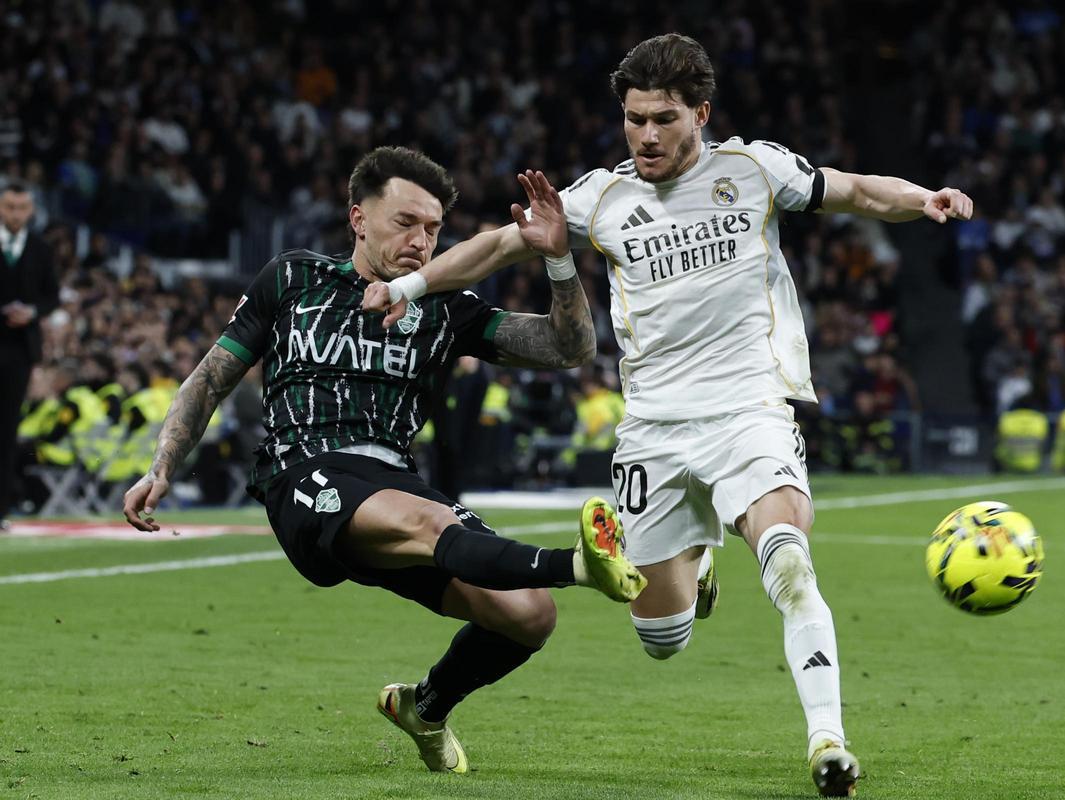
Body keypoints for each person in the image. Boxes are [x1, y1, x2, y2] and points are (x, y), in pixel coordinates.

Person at [364, 34, 974, 797]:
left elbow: (853, 190)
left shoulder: (753, 170)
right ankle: (698, 559)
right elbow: (491, 248)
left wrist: (922, 198)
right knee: (661, 637)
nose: (646, 135)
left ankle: (829, 742)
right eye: (634, 119)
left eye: (663, 119)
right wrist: (407, 287)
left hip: (748, 408)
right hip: (653, 430)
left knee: (788, 561)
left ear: (701, 115)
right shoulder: (600, 197)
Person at [122, 146, 646, 774]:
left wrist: (558, 260)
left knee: (529, 615)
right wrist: (162, 466)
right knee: (430, 523)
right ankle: (580, 565)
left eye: (433, 228)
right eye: (405, 222)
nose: (420, 242)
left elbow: (569, 349)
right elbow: (210, 379)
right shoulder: (293, 278)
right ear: (358, 219)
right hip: (305, 470)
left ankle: (424, 707)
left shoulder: (445, 305)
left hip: (393, 480)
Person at [0, 182, 59, 528]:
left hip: (20, 350)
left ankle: (1, 511)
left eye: (22, 208)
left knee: (7, 428)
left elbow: (52, 295)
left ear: (31, 210)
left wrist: (32, 312)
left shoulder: (40, 248)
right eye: (9, 207)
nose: (15, 214)